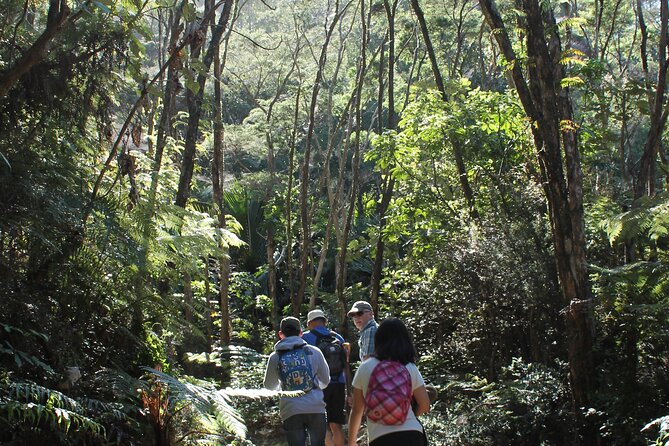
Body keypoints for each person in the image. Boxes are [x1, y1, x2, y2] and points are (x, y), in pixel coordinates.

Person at [347, 318, 430, 446]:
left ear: (378, 340)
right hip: (412, 434)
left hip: (380, 437)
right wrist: (407, 415)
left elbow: (358, 409)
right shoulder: (409, 366)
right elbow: (425, 405)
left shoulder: (365, 367)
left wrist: (352, 442)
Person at [263, 316, 331, 446]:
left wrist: (284, 388)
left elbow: (269, 386)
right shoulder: (314, 351)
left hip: (290, 408)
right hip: (316, 406)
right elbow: (326, 380)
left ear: (280, 334)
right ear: (301, 333)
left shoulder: (275, 356)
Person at [303, 309, 352, 446]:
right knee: (336, 424)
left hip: (319, 386)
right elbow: (346, 365)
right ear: (324, 321)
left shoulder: (306, 338)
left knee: (323, 425)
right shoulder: (338, 338)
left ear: (310, 323)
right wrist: (349, 391)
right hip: (339, 384)